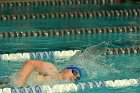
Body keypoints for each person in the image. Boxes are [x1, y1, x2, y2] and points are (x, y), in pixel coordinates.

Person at [17, 60, 82, 87]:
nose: (74, 77)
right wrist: (20, 85)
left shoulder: (57, 86)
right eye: (75, 72)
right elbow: (30, 63)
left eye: (77, 78)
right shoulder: (52, 70)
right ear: (67, 69)